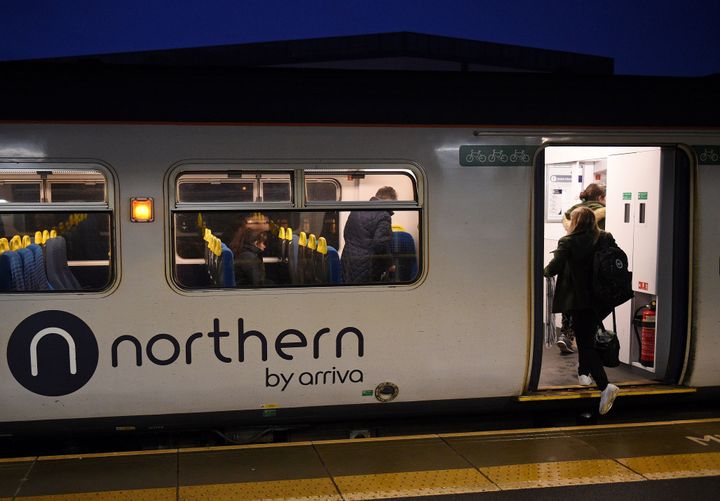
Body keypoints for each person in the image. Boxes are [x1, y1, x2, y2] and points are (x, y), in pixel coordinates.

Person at [544, 206, 620, 415]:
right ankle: (584, 374)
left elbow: (553, 269)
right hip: (602, 299)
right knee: (587, 336)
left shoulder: (568, 242)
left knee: (586, 344)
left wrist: (543, 269)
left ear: (575, 222)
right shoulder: (605, 237)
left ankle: (606, 387)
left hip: (579, 300)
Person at [557, 183, 607, 354]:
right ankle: (590, 339)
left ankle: (566, 335)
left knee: (569, 302)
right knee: (589, 307)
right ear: (600, 197)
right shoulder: (602, 213)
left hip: (570, 268)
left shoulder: (573, 212)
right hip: (592, 267)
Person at [341, 186, 396, 283]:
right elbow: (380, 245)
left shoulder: (357, 209)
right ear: (390, 200)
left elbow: (346, 234)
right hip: (367, 265)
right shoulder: (384, 215)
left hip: (348, 260)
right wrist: (390, 264)